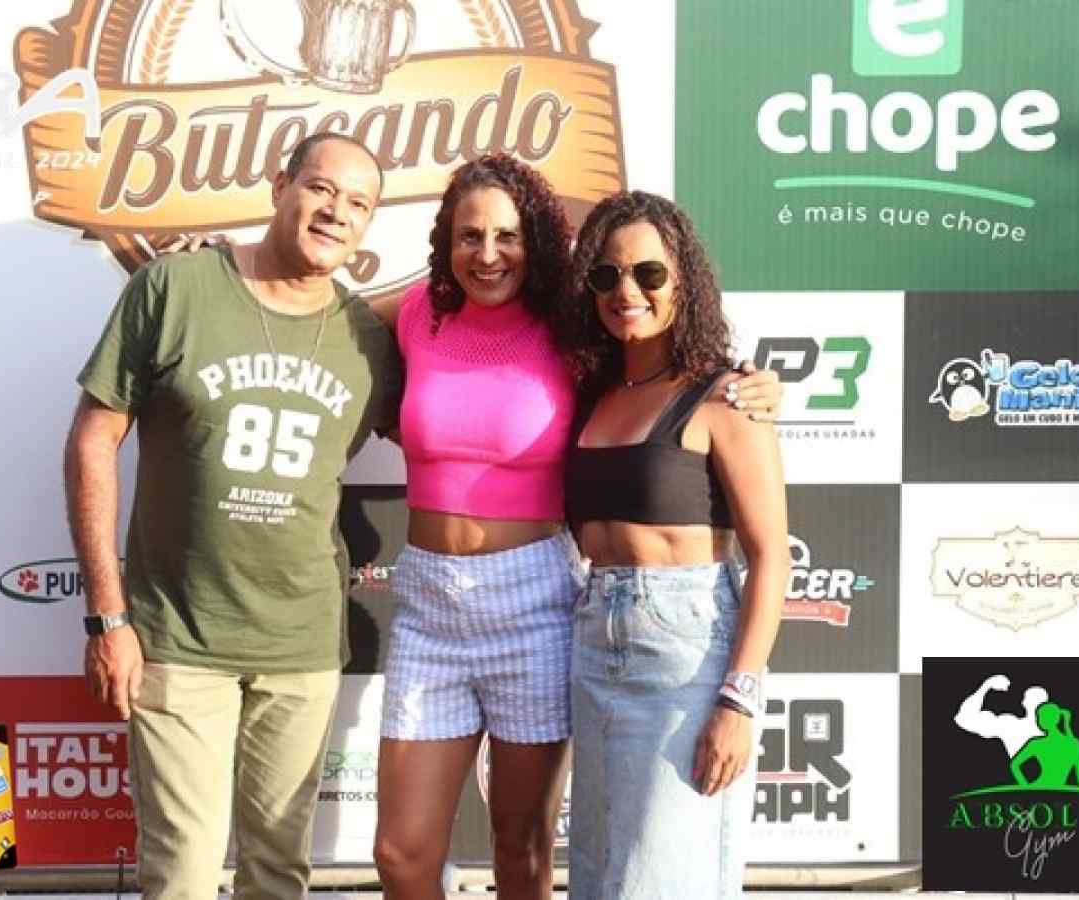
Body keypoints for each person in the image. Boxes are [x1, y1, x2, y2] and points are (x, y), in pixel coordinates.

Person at [365, 158, 783, 899]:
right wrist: (235, 275)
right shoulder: (423, 313)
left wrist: (759, 386)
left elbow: (765, 545)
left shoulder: (576, 342)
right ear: (445, 243)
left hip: (554, 605)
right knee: (409, 854)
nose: (487, 253)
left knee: (544, 848)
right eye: (469, 235)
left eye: (508, 235)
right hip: (448, 605)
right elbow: (325, 309)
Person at [64, 132, 402, 900]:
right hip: (179, 638)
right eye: (321, 188)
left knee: (278, 873)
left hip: (303, 643)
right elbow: (92, 441)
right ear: (280, 186)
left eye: (358, 203)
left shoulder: (368, 339)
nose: (336, 212)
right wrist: (107, 617)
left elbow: (458, 428)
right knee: (181, 874)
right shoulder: (175, 287)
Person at [559, 190, 789, 899]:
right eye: (606, 276)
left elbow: (771, 556)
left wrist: (739, 702)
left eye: (648, 273)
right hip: (592, 640)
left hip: (685, 653)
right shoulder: (590, 393)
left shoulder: (726, 397)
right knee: (600, 875)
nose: (626, 292)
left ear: (684, 281)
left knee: (662, 880)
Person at [954, 674, 1050, 758]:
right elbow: (964, 719)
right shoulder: (1011, 725)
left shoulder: (1010, 726)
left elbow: (964, 718)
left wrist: (986, 686)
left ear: (1024, 703)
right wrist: (987, 685)